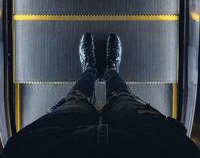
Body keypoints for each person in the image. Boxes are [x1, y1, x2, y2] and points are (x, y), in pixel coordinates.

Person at [1, 33, 199, 158]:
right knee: (123, 98)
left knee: (76, 101)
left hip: (50, 143)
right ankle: (111, 70)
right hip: (154, 142)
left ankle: (91, 69)